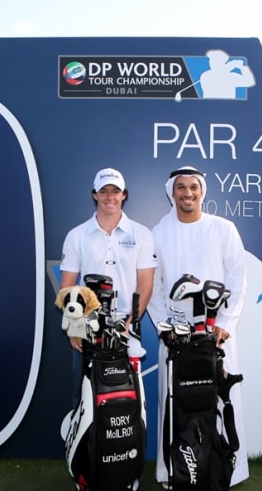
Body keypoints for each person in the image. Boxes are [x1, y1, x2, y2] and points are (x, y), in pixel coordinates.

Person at [148, 166, 249, 488]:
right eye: (181, 187)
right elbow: (155, 287)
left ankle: (226, 469)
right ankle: (173, 471)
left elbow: (238, 279)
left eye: (193, 187)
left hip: (217, 333)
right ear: (171, 192)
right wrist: (167, 328)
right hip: (176, 336)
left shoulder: (223, 229)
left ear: (202, 191)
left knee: (222, 398)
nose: (187, 193)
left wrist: (225, 324)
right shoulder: (158, 233)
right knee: (174, 400)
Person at [59, 167, 157, 404]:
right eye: (104, 191)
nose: (109, 196)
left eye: (115, 191)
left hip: (127, 327)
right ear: (95, 194)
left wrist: (128, 324)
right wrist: (74, 327)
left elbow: (145, 285)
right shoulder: (76, 235)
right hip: (88, 328)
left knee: (127, 402)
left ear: (124, 195)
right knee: (83, 400)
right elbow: (67, 286)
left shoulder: (142, 234)